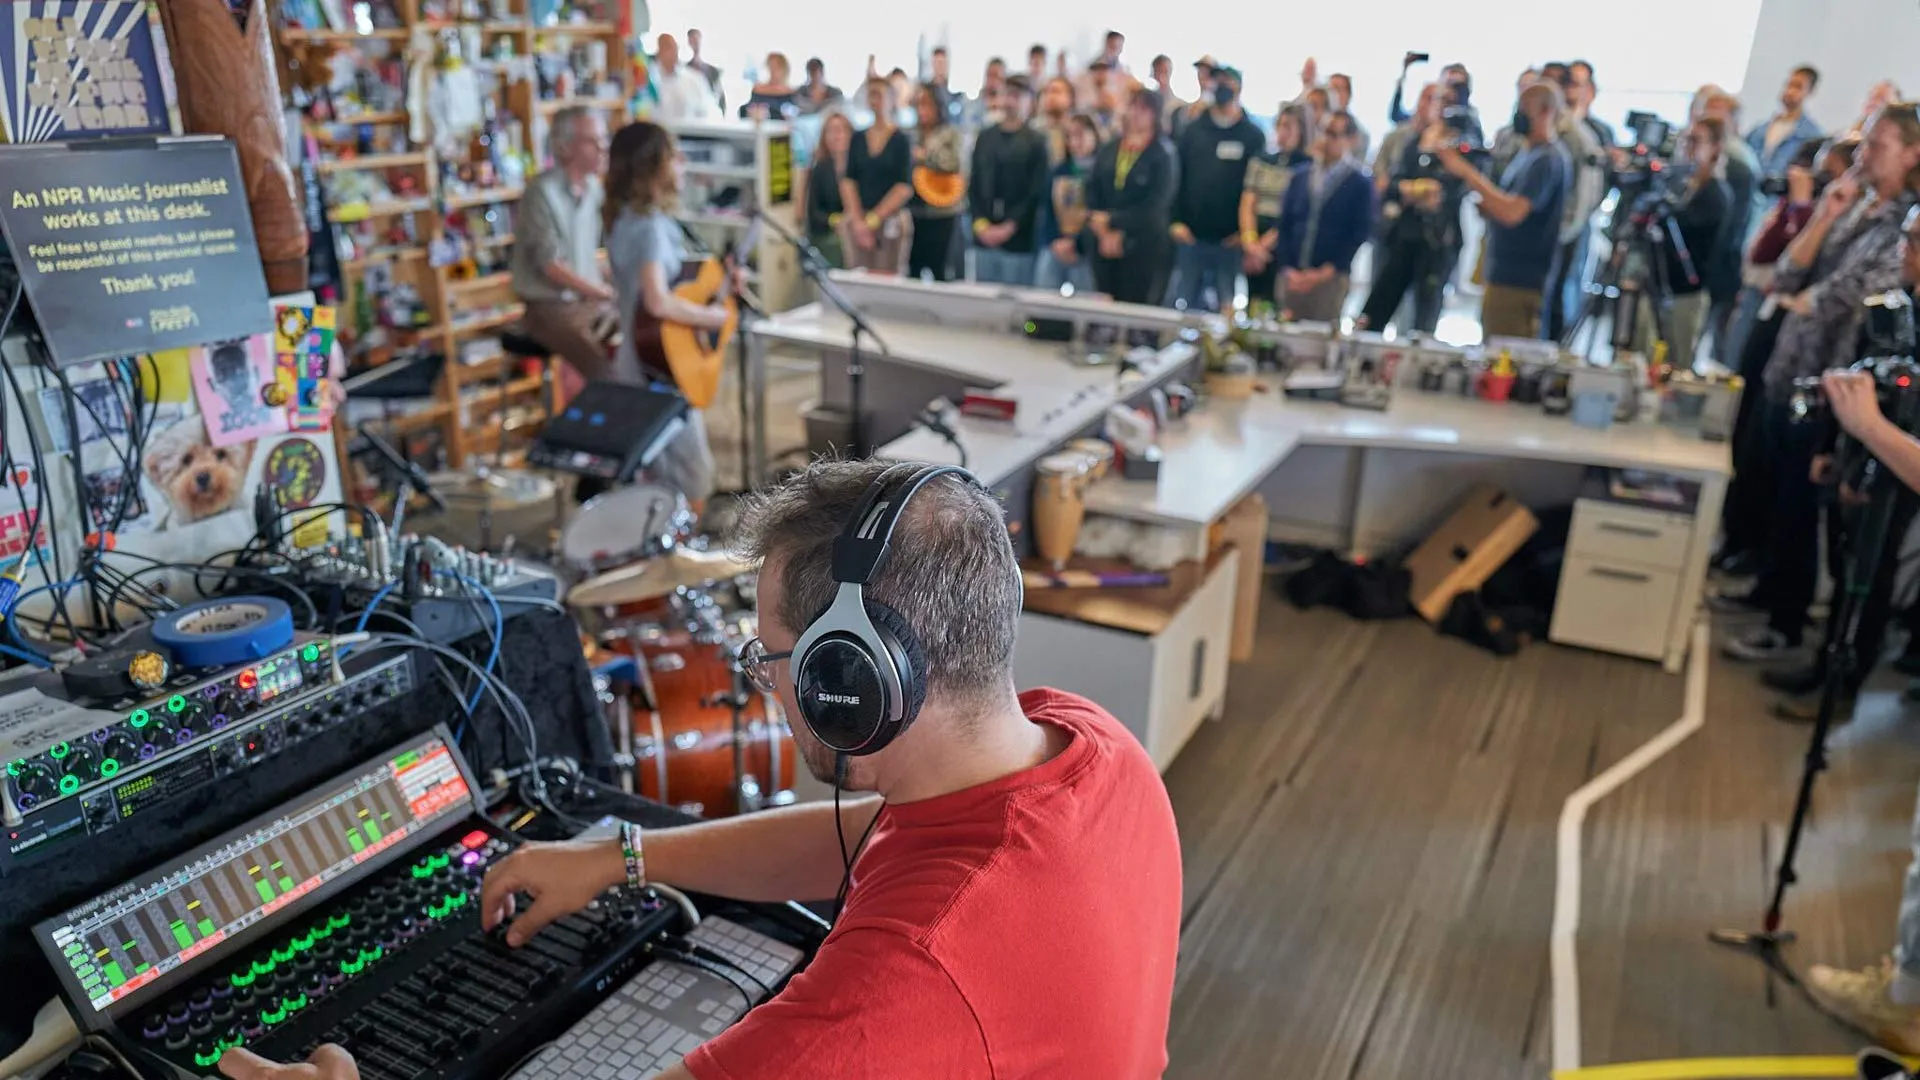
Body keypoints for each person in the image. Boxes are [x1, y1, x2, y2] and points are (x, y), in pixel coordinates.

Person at [215, 459, 1182, 1080]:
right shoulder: (1089, 746)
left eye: (773, 658)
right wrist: (624, 857)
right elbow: (862, 847)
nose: (766, 682)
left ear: (848, 681)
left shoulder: (904, 980)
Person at [1719, 104, 1920, 668]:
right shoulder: (1855, 208)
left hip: (1838, 388)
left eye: (1877, 145)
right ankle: (1767, 596)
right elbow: (1786, 273)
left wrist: (1801, 298)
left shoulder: (1905, 224)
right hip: (1793, 369)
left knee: (1804, 513)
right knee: (1778, 500)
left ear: (1912, 154)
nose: (1862, 157)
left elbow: (1842, 295)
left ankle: (1787, 627)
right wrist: (1825, 216)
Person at [1716, 135, 1855, 578]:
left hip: (1811, 359)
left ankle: (1760, 560)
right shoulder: (1827, 213)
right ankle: (1739, 540)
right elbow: (1772, 263)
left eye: (1828, 174)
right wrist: (1804, 212)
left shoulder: (1854, 224)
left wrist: (1804, 211)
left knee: (1784, 477)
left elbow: (1808, 288)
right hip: (1779, 336)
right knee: (1749, 440)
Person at [1441, 81, 1571, 340]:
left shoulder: (1548, 159)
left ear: (1546, 112)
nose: (1518, 114)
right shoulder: (1528, 154)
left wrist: (1467, 173)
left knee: (1506, 356)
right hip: (1503, 273)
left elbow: (1513, 212)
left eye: (1525, 108)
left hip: (1521, 281)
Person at [511, 107, 615, 391]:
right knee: (604, 372)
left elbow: (592, 255)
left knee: (638, 342)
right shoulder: (542, 192)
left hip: (587, 303)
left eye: (604, 139)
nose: (602, 148)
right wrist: (601, 291)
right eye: (592, 141)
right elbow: (551, 266)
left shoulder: (594, 189)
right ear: (565, 147)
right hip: (549, 307)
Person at [1630, 117, 1732, 371]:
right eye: (1684, 140)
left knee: (1676, 364)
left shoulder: (1715, 194)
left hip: (1686, 291)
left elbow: (1683, 229)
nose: (1686, 148)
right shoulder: (1674, 185)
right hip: (1655, 284)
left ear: (1715, 147)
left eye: (1695, 141)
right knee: (1641, 355)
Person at [1361, 85, 1463, 335]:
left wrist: (1416, 190)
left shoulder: (1462, 145)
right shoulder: (1413, 141)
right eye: (1436, 100)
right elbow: (1390, 187)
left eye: (1449, 101)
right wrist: (1417, 189)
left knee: (1422, 321)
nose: (1441, 107)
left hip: (1436, 245)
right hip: (1401, 237)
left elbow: (1446, 192)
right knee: (1374, 311)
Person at [1166, 65, 1263, 312]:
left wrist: (1246, 232)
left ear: (1238, 88)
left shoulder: (1252, 135)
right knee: (1183, 305)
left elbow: (1255, 191)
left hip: (1229, 241)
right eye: (1217, 81)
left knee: (1226, 306)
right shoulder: (1193, 130)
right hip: (1191, 236)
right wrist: (1175, 220)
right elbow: (1177, 178)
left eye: (1227, 82)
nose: (1221, 88)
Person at [1273, 110, 1373, 322]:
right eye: (1325, 132)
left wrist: (1322, 274)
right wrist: (1289, 269)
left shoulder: (1359, 183)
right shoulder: (1301, 176)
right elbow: (1285, 225)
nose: (1328, 141)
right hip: (1292, 276)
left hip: (1329, 280)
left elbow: (1357, 234)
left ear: (1351, 140)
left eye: (1335, 135)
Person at [1088, 88, 1178, 306]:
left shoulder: (1163, 154)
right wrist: (1102, 228)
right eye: (1133, 106)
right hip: (1104, 242)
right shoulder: (1110, 148)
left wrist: (1114, 222)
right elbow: (1093, 189)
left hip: (1144, 245)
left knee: (1136, 313)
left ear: (1155, 115)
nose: (1136, 113)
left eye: (1144, 109)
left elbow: (1156, 204)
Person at [969, 76, 1049, 286]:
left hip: (1019, 240)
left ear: (1029, 101)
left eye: (1017, 95)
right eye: (1007, 93)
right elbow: (974, 183)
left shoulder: (1037, 142)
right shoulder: (985, 137)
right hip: (983, 235)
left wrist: (1009, 226)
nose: (1010, 101)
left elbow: (1035, 192)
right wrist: (980, 223)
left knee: (1017, 312)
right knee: (984, 306)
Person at [1240, 104, 1312, 311]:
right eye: (1279, 126)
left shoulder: (1307, 167)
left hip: (1282, 245)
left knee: (1275, 303)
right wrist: (1250, 243)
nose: (1283, 132)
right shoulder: (1262, 160)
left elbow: (1296, 213)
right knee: (1253, 303)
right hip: (1255, 239)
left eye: (1288, 127)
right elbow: (1248, 201)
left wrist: (1265, 246)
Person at [840, 78, 914, 275]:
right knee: (858, 276)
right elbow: (849, 180)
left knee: (887, 277)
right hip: (859, 218)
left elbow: (903, 186)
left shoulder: (901, 140)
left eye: (879, 94)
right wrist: (858, 222)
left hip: (890, 220)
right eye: (871, 94)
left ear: (891, 99)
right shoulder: (858, 138)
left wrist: (874, 220)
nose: (875, 100)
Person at [1035, 112, 1103, 293]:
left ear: (1094, 135)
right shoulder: (1059, 170)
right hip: (1056, 243)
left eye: (1079, 135)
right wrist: (1054, 240)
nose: (1074, 142)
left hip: (1087, 247)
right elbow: (1046, 210)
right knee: (1043, 293)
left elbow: (1100, 212)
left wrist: (1077, 243)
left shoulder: (1103, 172)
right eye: (1070, 136)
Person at [907, 83, 965, 281]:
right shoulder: (911, 135)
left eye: (927, 104)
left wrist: (925, 158)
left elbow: (955, 163)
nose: (922, 110)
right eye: (918, 104)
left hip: (942, 213)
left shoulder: (950, 134)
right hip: (914, 212)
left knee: (942, 271)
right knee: (913, 270)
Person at [1747, 65, 1824, 190]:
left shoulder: (1812, 137)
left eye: (1798, 87)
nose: (1790, 91)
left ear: (1810, 92)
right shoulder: (1758, 130)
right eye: (1789, 84)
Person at [804, 110, 854, 268]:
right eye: (830, 131)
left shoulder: (859, 167)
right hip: (829, 232)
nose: (836, 136)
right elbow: (814, 213)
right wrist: (835, 221)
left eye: (840, 130)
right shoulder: (821, 168)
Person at [650, 33, 718, 122]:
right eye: (665, 48)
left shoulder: (694, 80)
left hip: (690, 133)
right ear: (658, 52)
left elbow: (707, 112)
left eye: (672, 47)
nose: (670, 53)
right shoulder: (650, 81)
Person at [1325, 73, 1370, 161]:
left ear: (1348, 95)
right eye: (1329, 90)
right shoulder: (1315, 124)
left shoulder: (1361, 134)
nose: (1332, 94)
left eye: (1337, 89)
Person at [740, 52, 798, 119]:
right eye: (771, 67)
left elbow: (792, 114)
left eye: (777, 67)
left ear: (784, 69)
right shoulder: (758, 89)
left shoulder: (791, 93)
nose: (773, 71)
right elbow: (746, 110)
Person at [1034, 76, 1077, 166]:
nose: (1050, 96)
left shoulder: (1077, 129)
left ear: (1070, 98)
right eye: (1046, 92)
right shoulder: (1033, 130)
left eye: (1056, 91)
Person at [1149, 53, 1186, 130]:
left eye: (1165, 71)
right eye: (1159, 71)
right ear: (1154, 74)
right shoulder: (1148, 101)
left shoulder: (1179, 104)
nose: (1162, 75)